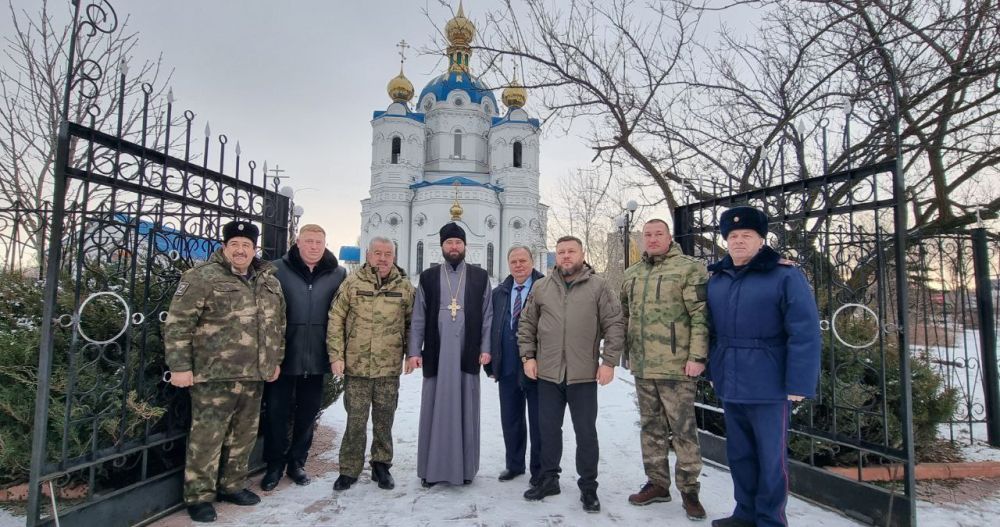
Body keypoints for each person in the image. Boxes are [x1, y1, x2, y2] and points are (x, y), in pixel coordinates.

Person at [705, 206, 821, 527]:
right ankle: (744, 514)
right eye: (733, 236)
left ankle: (770, 519)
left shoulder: (785, 275)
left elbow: (804, 332)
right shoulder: (718, 279)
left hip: (769, 384)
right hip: (731, 381)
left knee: (771, 460)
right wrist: (714, 372)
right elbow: (712, 332)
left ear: (760, 239)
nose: (739, 241)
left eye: (747, 236)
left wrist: (799, 383)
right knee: (740, 455)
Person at [164, 220, 286, 523]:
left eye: (246, 245)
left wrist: (275, 360)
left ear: (254, 249)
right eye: (235, 245)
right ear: (225, 247)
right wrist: (180, 367)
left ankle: (232, 485)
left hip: (254, 373)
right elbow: (178, 323)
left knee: (243, 435)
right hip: (213, 374)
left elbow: (278, 325)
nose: (241, 250)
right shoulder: (202, 277)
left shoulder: (268, 280)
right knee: (207, 436)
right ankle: (199, 496)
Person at [517, 236, 624, 513]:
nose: (565, 256)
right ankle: (549, 479)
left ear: (582, 254)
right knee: (548, 430)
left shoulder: (598, 286)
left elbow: (614, 324)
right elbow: (527, 325)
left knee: (586, 433)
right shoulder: (541, 287)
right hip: (548, 374)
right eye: (561, 252)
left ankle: (588, 487)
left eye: (571, 251)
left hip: (584, 375)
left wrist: (609, 362)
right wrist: (528, 357)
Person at [620, 219, 708, 520]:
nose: (653, 239)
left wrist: (697, 356)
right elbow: (625, 315)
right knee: (651, 427)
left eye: (659, 234)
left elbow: (700, 316)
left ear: (669, 237)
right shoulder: (633, 273)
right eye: (648, 235)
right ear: (642, 239)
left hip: (677, 366)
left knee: (683, 429)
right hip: (644, 365)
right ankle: (657, 483)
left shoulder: (688, 268)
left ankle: (689, 489)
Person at [406, 222, 493, 487]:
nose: (454, 247)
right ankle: (431, 470)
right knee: (434, 409)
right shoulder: (429, 277)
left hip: (467, 354)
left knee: (466, 408)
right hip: (437, 353)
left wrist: (486, 347)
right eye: (449, 243)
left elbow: (488, 315)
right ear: (442, 246)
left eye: (458, 242)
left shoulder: (480, 277)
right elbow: (418, 317)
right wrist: (413, 351)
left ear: (465, 246)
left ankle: (464, 470)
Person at [260, 224, 346, 490]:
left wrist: (336, 354)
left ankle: (297, 463)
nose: (313, 247)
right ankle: (274, 465)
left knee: (308, 414)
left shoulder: (337, 274)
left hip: (317, 357)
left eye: (318, 242)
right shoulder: (276, 269)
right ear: (298, 242)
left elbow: (342, 316)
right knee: (277, 412)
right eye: (308, 241)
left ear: (325, 244)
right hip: (284, 356)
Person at [328, 237, 414, 491]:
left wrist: (411, 354)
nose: (383, 258)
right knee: (355, 419)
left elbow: (413, 324)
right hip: (356, 365)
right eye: (378, 253)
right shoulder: (352, 283)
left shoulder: (405, 286)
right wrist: (336, 355)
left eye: (388, 253)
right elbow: (336, 318)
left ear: (394, 256)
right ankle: (349, 469)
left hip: (388, 367)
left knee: (384, 419)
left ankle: (381, 465)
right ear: (368, 254)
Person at [485, 245, 545, 486]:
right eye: (514, 262)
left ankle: (539, 469)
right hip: (508, 363)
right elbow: (491, 326)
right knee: (511, 418)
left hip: (537, 365)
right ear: (508, 265)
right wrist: (491, 364)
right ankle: (514, 464)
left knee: (539, 420)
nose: (518, 265)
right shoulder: (499, 292)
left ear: (532, 261)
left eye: (523, 260)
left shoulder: (545, 288)